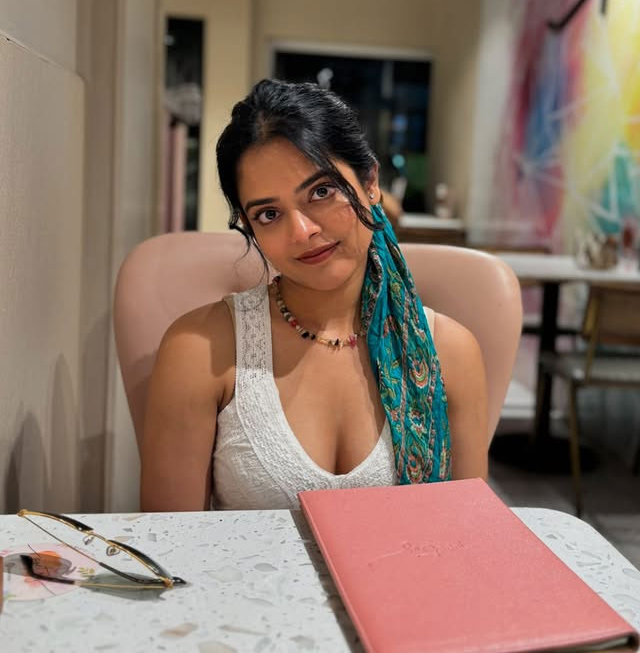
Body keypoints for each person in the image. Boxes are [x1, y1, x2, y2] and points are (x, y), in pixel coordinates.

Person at [141, 79, 488, 511]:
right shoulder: (200, 349)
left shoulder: (449, 353)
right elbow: (169, 540)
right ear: (249, 226)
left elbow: (468, 531)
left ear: (370, 182)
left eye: (322, 192)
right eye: (269, 214)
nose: (302, 231)